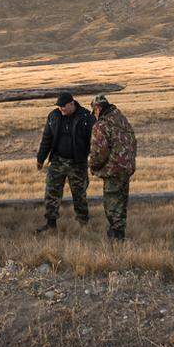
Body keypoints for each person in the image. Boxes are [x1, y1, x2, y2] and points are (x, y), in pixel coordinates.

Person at [34, 92, 94, 232]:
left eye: (63, 106)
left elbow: (94, 141)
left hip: (78, 162)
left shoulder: (86, 117)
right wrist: (40, 158)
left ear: (72, 104)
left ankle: (83, 223)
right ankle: (50, 224)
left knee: (79, 194)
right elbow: (47, 138)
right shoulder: (54, 116)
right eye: (59, 106)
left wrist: (94, 160)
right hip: (58, 160)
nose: (61, 109)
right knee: (51, 192)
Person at [88, 94, 137, 241]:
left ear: (98, 108)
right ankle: (119, 234)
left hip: (113, 170)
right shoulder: (122, 120)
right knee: (121, 202)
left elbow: (99, 151)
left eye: (94, 111)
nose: (94, 115)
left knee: (112, 205)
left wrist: (93, 166)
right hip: (126, 168)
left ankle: (116, 237)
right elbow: (133, 141)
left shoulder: (101, 125)